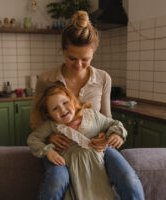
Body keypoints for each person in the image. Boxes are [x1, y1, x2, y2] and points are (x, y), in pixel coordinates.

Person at [31, 10, 144, 200]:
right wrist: (51, 136)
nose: (79, 65)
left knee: (129, 180)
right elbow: (35, 121)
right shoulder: (46, 79)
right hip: (62, 149)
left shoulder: (103, 78)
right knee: (56, 181)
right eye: (72, 58)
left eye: (86, 59)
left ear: (94, 53)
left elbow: (108, 119)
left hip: (96, 147)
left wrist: (109, 136)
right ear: (63, 51)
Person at [28, 84, 127, 200]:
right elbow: (33, 139)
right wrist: (48, 151)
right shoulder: (52, 125)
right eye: (55, 108)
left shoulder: (91, 115)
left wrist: (116, 134)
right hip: (73, 172)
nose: (63, 109)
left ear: (72, 99)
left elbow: (114, 124)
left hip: (95, 170)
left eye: (65, 102)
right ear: (48, 114)